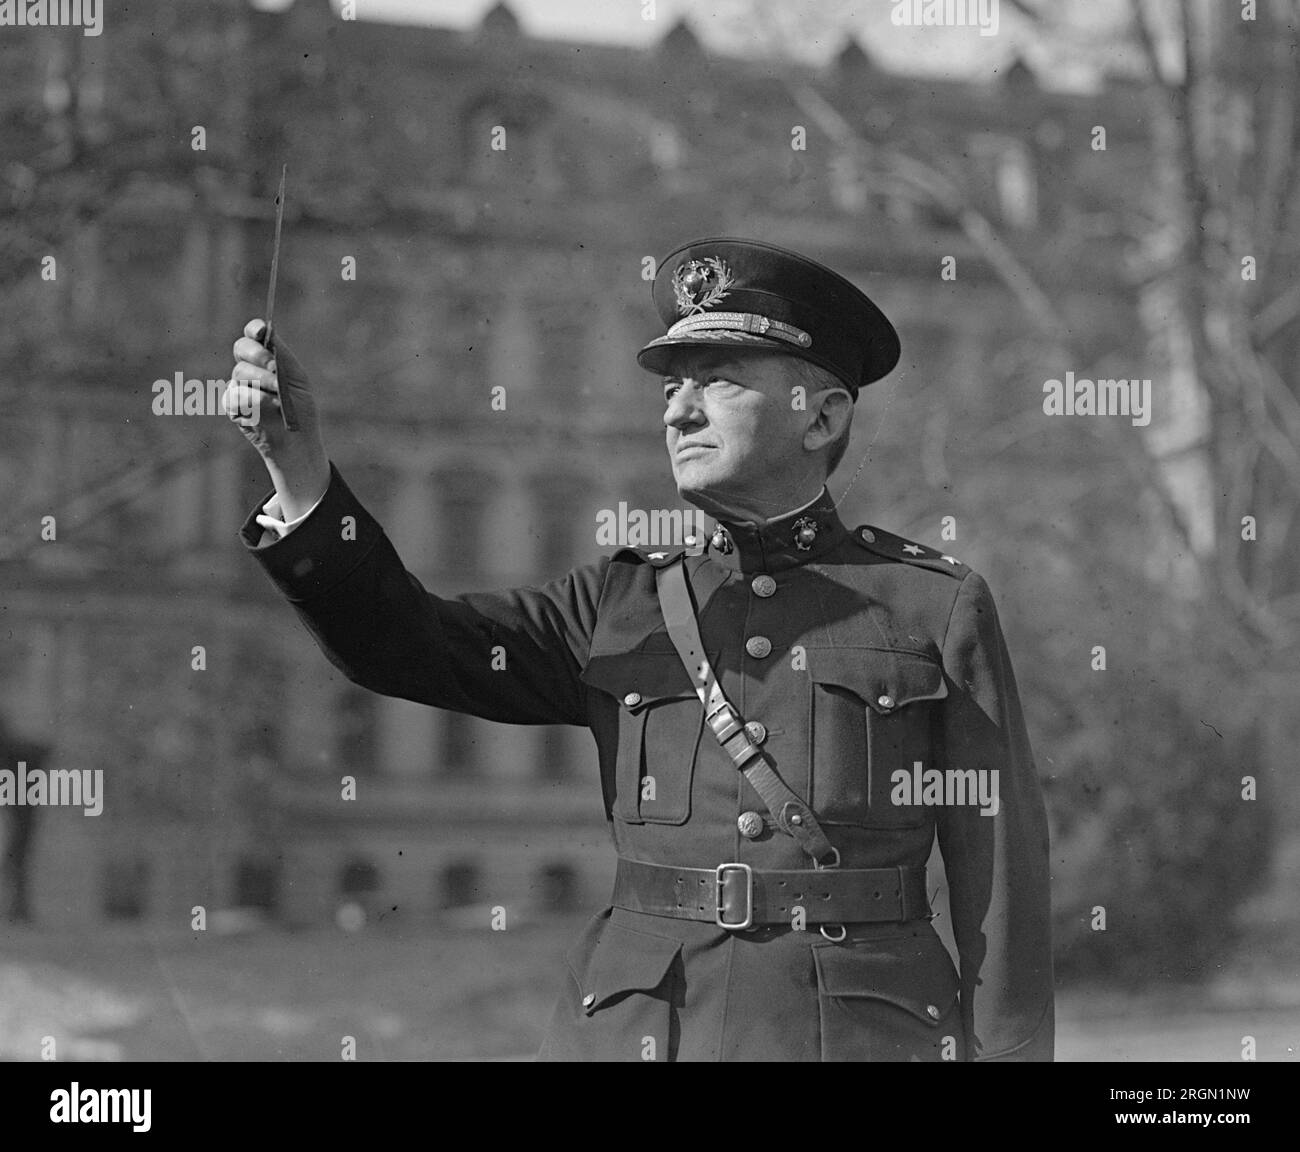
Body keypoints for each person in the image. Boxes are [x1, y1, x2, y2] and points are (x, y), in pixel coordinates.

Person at [224, 237, 1054, 1061]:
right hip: (642, 1031)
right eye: (672, 384)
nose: (678, 410)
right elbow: (401, 646)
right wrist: (298, 473)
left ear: (824, 416)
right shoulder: (614, 603)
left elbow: (1001, 884)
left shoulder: (932, 607)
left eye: (718, 378)